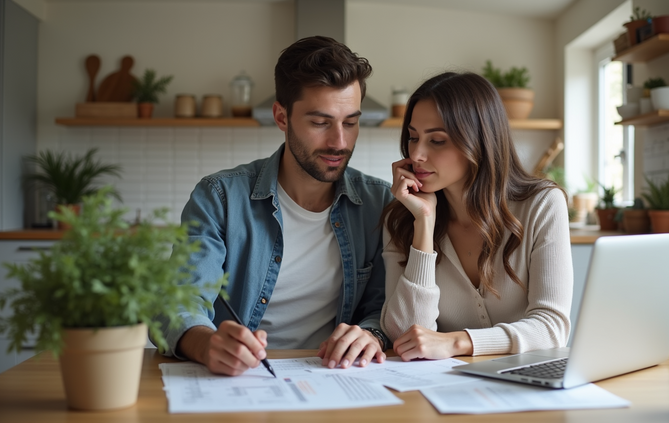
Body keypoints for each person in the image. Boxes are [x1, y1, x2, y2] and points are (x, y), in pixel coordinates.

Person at [154, 36, 394, 375]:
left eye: (351, 122)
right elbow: (178, 303)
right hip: (238, 382)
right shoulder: (219, 197)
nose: (339, 142)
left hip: (335, 379)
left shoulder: (380, 203)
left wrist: (372, 334)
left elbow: (385, 306)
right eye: (320, 122)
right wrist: (208, 345)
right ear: (281, 117)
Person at [380, 72, 573, 361]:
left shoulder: (542, 204)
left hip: (527, 385)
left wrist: (457, 343)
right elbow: (405, 336)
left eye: (437, 141)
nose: (417, 154)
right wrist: (424, 226)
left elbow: (552, 327)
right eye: (413, 137)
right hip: (441, 389)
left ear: (478, 141)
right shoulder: (403, 218)